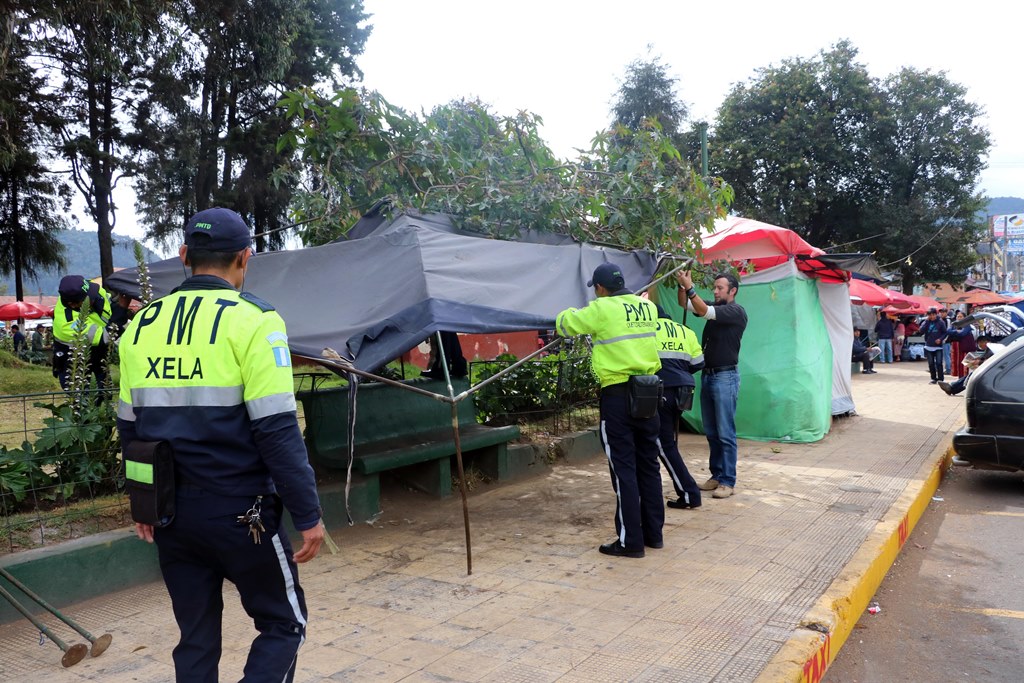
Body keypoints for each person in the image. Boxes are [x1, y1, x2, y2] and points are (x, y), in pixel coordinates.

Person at [116, 207, 324, 682]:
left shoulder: (140, 326)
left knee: (195, 637)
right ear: (244, 258)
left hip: (171, 517)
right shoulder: (256, 320)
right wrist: (308, 514)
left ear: (184, 255)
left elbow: (131, 432)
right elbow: (275, 429)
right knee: (284, 623)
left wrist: (143, 504)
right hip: (240, 513)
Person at [556, 262, 663, 558]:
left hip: (618, 395)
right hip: (649, 393)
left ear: (600, 289)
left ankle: (631, 542)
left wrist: (571, 311)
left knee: (624, 471)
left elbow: (565, 325)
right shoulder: (647, 308)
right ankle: (654, 535)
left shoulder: (601, 309)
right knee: (649, 466)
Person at [675, 270, 748, 500]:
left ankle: (728, 480)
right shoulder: (715, 308)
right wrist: (682, 285)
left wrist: (691, 288)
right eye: (714, 288)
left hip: (725, 377)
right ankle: (717, 475)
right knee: (712, 432)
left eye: (720, 288)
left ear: (732, 291)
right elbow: (684, 303)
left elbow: (704, 310)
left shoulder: (735, 311)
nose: (715, 291)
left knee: (725, 432)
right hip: (709, 375)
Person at [652, 304, 705, 510]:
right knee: (668, 443)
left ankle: (690, 493)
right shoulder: (685, 331)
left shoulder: (648, 329)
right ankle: (688, 492)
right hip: (684, 390)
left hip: (662, 389)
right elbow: (698, 362)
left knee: (664, 445)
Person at [52, 275, 116, 390]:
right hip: (74, 360)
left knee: (105, 392)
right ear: (73, 304)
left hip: (99, 355)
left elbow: (109, 301)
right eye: (86, 298)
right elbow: (103, 337)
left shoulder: (91, 289)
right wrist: (120, 318)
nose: (93, 297)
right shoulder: (66, 322)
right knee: (80, 397)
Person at [946, 310, 976, 378]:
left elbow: (963, 333)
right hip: (957, 348)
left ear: (964, 318)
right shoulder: (954, 324)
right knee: (958, 363)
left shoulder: (967, 325)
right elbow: (948, 331)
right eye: (958, 316)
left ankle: (966, 378)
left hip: (966, 348)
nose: (959, 318)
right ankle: (960, 378)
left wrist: (954, 332)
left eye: (961, 317)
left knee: (966, 363)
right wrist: (957, 331)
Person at [921, 307, 948, 384]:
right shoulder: (926, 322)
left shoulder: (940, 322)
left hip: (938, 346)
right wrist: (926, 322)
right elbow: (921, 330)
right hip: (929, 345)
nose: (932, 316)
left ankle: (940, 378)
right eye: (930, 315)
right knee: (931, 363)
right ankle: (933, 378)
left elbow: (945, 332)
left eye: (933, 315)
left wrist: (940, 339)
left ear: (936, 314)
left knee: (939, 363)